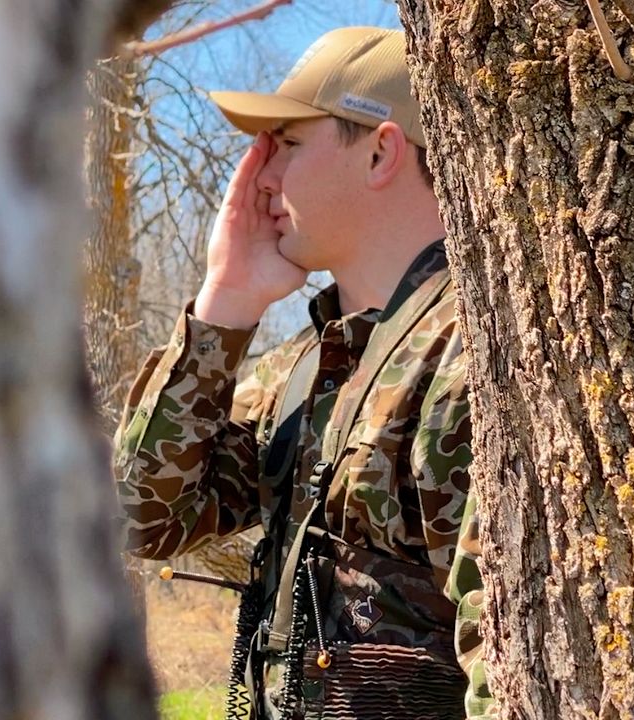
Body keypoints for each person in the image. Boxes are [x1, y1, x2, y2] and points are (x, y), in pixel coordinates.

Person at [114, 26, 492, 720]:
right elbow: (143, 516)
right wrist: (226, 302)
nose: (260, 177)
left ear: (381, 151)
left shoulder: (479, 358)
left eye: (285, 143)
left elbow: (513, 664)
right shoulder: (310, 369)